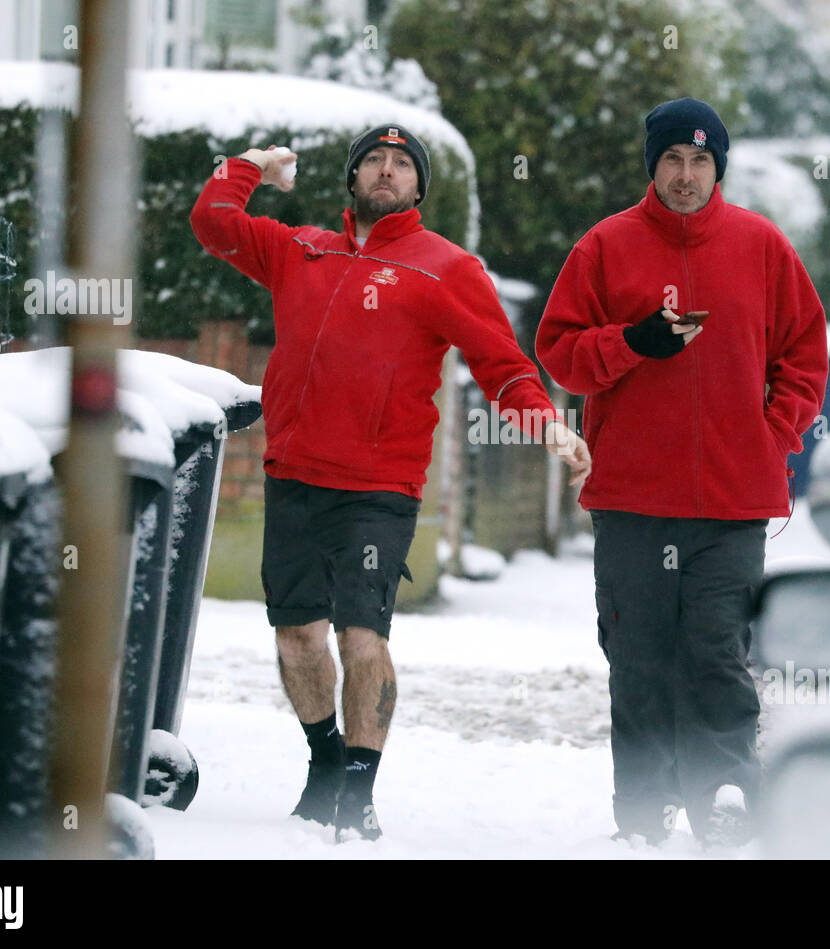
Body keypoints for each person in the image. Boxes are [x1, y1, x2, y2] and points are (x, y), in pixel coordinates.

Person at [191, 124, 591, 842]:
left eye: (402, 164)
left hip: (380, 485)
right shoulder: (301, 248)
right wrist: (250, 165)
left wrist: (548, 424)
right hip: (293, 473)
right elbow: (213, 223)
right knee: (296, 638)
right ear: (352, 179)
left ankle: (358, 788)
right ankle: (323, 759)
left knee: (362, 636)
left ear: (419, 187)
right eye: (373, 160)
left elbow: (502, 364)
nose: (386, 170)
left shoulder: (447, 267)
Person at [535, 98, 828, 847]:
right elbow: (561, 352)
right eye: (672, 159)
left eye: (701, 161)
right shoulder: (605, 247)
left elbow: (804, 355)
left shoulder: (763, 247)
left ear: (718, 168)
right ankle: (643, 807)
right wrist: (631, 342)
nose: (687, 175)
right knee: (637, 656)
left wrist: (773, 436)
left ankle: (725, 794)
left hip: (732, 506)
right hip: (633, 501)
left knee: (717, 652)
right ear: (653, 165)